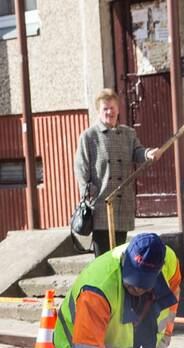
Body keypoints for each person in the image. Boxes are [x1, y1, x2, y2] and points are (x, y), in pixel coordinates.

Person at [74, 89, 158, 257]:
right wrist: (88, 193)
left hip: (122, 205)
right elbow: (81, 168)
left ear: (118, 110)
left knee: (120, 256)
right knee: (103, 259)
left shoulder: (128, 133)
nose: (109, 112)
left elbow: (137, 152)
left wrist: (148, 153)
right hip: (101, 205)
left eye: (112, 108)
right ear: (99, 111)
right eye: (105, 108)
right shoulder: (89, 136)